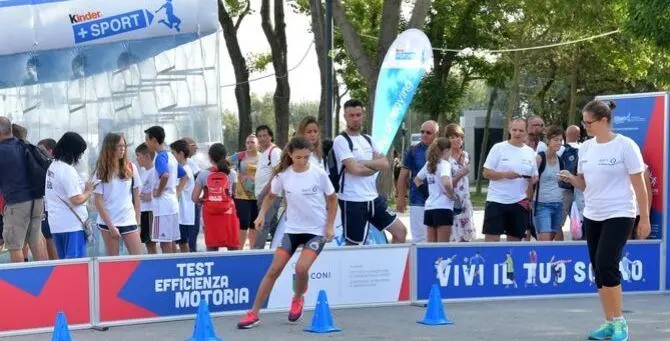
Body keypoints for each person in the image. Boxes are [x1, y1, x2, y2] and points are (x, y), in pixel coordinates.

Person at [559, 99, 650, 341]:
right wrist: (570, 178)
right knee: (598, 269)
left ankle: (620, 322)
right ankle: (609, 322)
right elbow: (584, 183)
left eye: (589, 122)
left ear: (603, 121)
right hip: (593, 214)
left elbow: (639, 185)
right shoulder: (586, 148)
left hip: (620, 213)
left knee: (607, 264)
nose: (585, 126)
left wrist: (645, 218)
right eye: (583, 122)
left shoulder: (625, 146)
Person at [237, 137, 337, 329]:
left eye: (306, 157)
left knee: (301, 268)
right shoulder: (283, 175)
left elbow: (332, 200)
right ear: (290, 155)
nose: (302, 161)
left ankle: (298, 298)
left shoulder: (319, 174)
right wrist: (261, 215)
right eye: (298, 157)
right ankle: (253, 313)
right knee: (274, 270)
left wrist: (330, 225)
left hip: (316, 231)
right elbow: (271, 196)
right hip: (292, 231)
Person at [333, 99, 406, 245]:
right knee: (354, 245)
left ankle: (389, 267)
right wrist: (374, 166)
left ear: (363, 115)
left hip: (373, 198)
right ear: (345, 117)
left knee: (401, 232)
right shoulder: (341, 140)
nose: (355, 119)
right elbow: (355, 170)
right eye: (351, 115)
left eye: (358, 115)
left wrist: (364, 163)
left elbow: (385, 163)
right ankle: (349, 268)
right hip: (352, 200)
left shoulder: (368, 139)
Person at [482, 119, 538, 242]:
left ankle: (511, 262)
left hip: (519, 202)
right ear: (509, 130)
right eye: (514, 130)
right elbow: (486, 173)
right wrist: (505, 174)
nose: (517, 133)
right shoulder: (498, 148)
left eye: (521, 130)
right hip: (496, 200)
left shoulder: (530, 152)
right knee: (491, 242)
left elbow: (534, 176)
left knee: (514, 243)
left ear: (526, 132)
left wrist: (532, 180)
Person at [0, 117, 48, 262]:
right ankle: (45, 277)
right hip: (37, 200)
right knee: (36, 240)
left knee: (15, 246)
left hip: (17, 203)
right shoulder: (24, 145)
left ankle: (21, 280)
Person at [44, 132, 93, 259]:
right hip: (72, 225)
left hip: (56, 224)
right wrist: (89, 191)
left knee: (64, 264)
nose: (80, 157)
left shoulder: (53, 166)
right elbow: (76, 199)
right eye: (80, 153)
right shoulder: (67, 170)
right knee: (74, 265)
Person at [93, 133, 143, 256]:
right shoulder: (101, 170)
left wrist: (138, 221)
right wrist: (111, 226)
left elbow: (137, 196)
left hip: (128, 220)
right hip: (108, 222)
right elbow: (98, 201)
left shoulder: (131, 167)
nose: (123, 149)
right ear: (110, 147)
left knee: (139, 259)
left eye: (124, 146)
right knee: (113, 262)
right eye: (119, 146)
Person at [396, 121, 438, 243]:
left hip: (439, 201)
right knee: (420, 239)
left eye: (428, 132)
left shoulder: (443, 150)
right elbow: (403, 176)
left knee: (438, 240)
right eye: (422, 131)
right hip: (418, 200)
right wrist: (400, 197)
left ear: (436, 134)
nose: (424, 135)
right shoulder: (413, 151)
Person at [192, 143, 239, 251]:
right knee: (232, 245)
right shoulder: (232, 173)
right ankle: (235, 267)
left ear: (210, 157)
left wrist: (204, 201)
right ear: (226, 155)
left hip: (210, 212)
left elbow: (194, 197)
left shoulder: (203, 174)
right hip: (228, 212)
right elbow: (234, 194)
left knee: (212, 246)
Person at [145, 126, 184, 253]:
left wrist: (159, 191)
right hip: (172, 203)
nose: (146, 143)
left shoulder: (160, 157)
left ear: (154, 140)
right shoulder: (170, 155)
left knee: (164, 242)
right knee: (171, 240)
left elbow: (165, 175)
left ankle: (168, 269)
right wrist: (176, 192)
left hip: (163, 206)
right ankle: (173, 267)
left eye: (147, 139)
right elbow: (184, 176)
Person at [414, 138, 456, 243]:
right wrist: (451, 194)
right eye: (451, 150)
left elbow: (417, 180)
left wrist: (428, 194)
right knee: (442, 247)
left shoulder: (429, 164)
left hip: (429, 208)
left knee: (431, 246)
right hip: (443, 208)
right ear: (446, 151)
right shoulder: (445, 164)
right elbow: (446, 182)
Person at [533, 126, 566, 241]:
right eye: (556, 140)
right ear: (548, 141)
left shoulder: (560, 160)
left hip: (558, 204)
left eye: (561, 140)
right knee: (545, 239)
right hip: (542, 204)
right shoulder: (539, 158)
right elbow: (530, 181)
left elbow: (560, 182)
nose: (559, 143)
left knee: (551, 239)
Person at [253, 125, 282, 249]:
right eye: (259, 136)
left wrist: (265, 191)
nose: (262, 138)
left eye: (265, 135)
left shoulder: (274, 152)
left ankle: (256, 252)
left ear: (270, 136)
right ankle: (280, 248)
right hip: (263, 195)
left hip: (270, 195)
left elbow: (277, 174)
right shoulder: (264, 153)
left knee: (263, 223)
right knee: (273, 225)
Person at [229, 134, 260, 248]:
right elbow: (225, 163)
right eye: (247, 142)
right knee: (243, 223)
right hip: (241, 195)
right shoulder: (240, 156)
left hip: (257, 195)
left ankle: (253, 250)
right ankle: (239, 250)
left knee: (254, 224)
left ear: (258, 145)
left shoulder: (263, 158)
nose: (249, 144)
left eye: (252, 142)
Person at [445, 123, 474, 242]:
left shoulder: (466, 155)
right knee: (453, 236)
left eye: (459, 137)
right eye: (452, 137)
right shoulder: (445, 158)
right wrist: (460, 174)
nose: (456, 140)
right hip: (451, 199)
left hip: (465, 199)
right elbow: (445, 183)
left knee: (466, 237)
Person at [170, 139, 197, 253]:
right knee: (181, 242)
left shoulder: (184, 171)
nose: (171, 156)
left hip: (183, 213)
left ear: (180, 154)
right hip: (183, 212)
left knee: (181, 242)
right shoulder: (184, 169)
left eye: (173, 153)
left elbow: (176, 191)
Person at [135, 143, 158, 254]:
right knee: (146, 241)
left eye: (139, 156)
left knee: (150, 242)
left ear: (147, 156)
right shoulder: (143, 172)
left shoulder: (154, 171)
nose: (137, 159)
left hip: (149, 211)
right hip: (142, 210)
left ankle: (155, 265)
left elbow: (158, 189)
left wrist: (150, 196)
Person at [38, 138, 59, 260]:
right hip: (45, 209)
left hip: (51, 211)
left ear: (50, 151)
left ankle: (55, 268)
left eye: (41, 150)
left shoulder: (53, 167)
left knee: (50, 239)